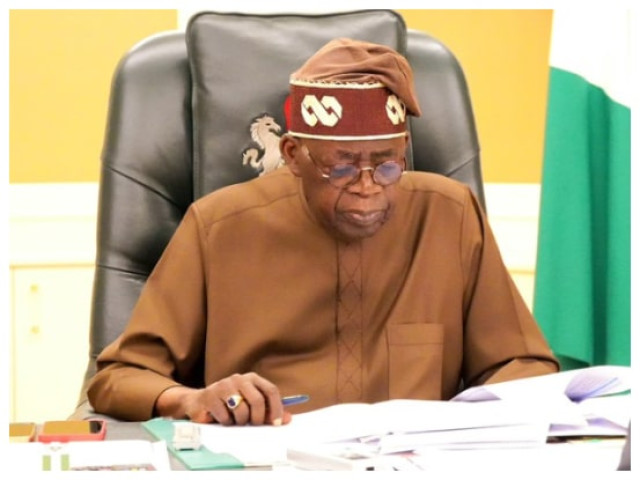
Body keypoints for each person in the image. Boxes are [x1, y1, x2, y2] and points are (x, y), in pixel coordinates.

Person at [87, 38, 559, 426]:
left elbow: (523, 364)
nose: (368, 188)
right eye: (343, 168)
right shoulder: (218, 225)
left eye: (388, 164)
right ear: (293, 155)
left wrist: (475, 423)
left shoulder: (450, 213)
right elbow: (119, 377)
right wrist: (190, 400)